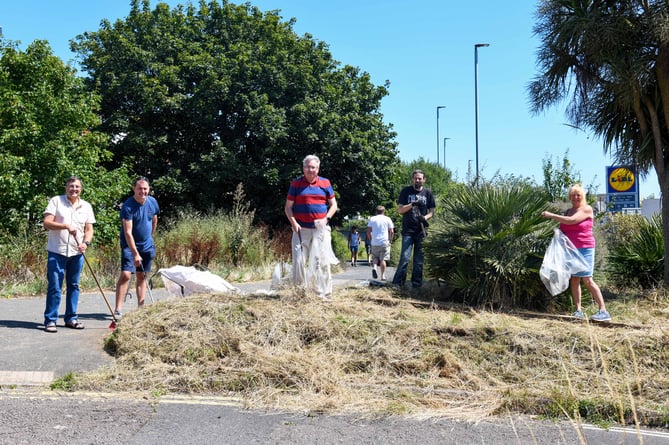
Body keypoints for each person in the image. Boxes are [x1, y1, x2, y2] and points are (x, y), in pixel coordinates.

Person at [541, 184, 611, 321]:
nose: (576, 197)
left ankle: (603, 310)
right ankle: (578, 310)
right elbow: (565, 226)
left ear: (582, 196)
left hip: (585, 248)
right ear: (570, 197)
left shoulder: (587, 209)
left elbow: (572, 221)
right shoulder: (568, 211)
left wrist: (551, 215)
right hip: (571, 249)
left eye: (578, 195)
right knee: (574, 279)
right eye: (573, 195)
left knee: (587, 279)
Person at [42, 176, 95, 332]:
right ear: (66, 187)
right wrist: (65, 226)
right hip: (56, 251)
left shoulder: (86, 206)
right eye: (71, 186)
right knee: (55, 286)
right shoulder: (56, 201)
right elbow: (47, 223)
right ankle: (50, 320)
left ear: (81, 189)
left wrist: (86, 243)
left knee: (74, 285)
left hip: (76, 252)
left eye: (77, 187)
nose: (74, 189)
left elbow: (89, 230)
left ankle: (71, 318)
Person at [284, 155, 338, 299]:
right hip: (301, 230)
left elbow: (334, 205)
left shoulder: (325, 183)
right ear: (303, 168)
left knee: (322, 262)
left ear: (318, 169)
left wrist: (326, 219)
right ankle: (299, 294)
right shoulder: (296, 184)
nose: (310, 170)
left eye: (313, 167)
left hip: (320, 230)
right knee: (299, 262)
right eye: (307, 167)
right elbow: (288, 207)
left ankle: (324, 294)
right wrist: (293, 223)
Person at [114, 177, 160, 318]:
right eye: (140, 188)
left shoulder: (152, 202)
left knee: (142, 275)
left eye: (145, 188)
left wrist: (151, 237)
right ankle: (118, 310)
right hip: (130, 245)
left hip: (146, 245)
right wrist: (135, 253)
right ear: (134, 188)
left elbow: (154, 219)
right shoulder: (128, 206)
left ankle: (141, 309)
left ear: (149, 189)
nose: (143, 191)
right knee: (126, 275)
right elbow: (128, 232)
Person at [392, 170, 436, 289]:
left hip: (421, 231)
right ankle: (397, 283)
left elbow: (432, 211)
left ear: (424, 180)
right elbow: (400, 210)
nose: (417, 180)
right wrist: (411, 205)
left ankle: (416, 285)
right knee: (405, 258)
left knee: (419, 261)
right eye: (415, 178)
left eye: (420, 178)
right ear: (412, 179)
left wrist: (425, 217)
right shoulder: (406, 191)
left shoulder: (428, 193)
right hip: (408, 231)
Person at [367, 205, 394, 281]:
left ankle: (375, 267)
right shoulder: (387, 219)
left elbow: (368, 231)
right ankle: (382, 276)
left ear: (376, 211)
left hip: (374, 242)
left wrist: (371, 239)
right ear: (384, 211)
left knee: (375, 257)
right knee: (383, 259)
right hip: (384, 242)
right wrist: (390, 240)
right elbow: (391, 231)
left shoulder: (372, 219)